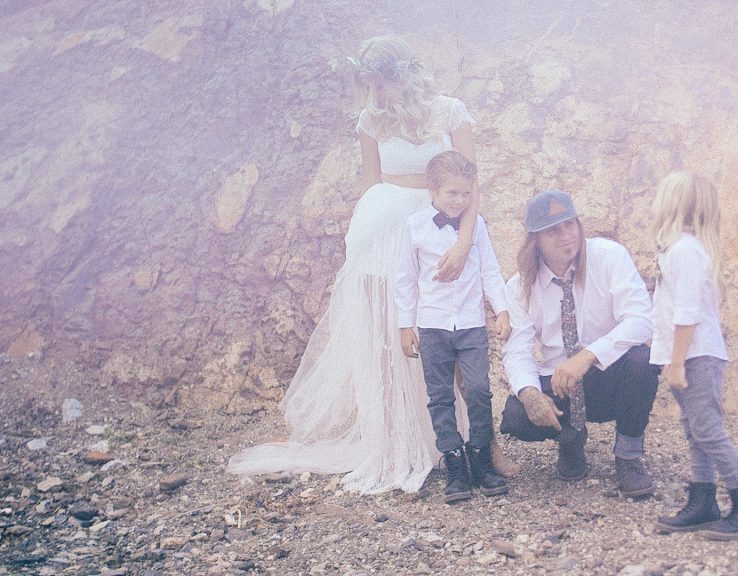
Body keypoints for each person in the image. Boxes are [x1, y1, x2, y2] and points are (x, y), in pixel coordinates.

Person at [228, 35, 516, 493]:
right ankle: (400, 442)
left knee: (455, 336)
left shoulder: (449, 111)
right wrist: (361, 241)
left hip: (440, 227)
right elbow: (370, 183)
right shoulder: (370, 120)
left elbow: (471, 182)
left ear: (404, 75)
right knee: (392, 339)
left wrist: (464, 241)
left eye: (381, 84)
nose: (377, 95)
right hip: (381, 235)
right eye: (370, 86)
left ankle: (485, 443)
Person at [499, 189, 660, 497]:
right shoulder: (519, 286)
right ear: (535, 240)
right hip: (561, 383)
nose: (566, 236)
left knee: (643, 361)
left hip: (605, 376)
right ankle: (570, 440)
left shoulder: (609, 256)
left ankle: (628, 456)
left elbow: (642, 319)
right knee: (517, 415)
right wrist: (531, 393)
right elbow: (517, 349)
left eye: (570, 225)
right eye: (553, 230)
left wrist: (588, 355)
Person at [648, 171, 738, 539]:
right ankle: (703, 501)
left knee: (708, 431)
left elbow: (686, 313)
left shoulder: (685, 251)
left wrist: (678, 362)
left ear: (672, 205)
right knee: (695, 430)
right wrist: (670, 358)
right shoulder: (678, 249)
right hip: (687, 355)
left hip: (696, 357)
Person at [395, 150, 511, 503]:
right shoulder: (414, 227)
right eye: (452, 193)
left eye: (465, 194)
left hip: (472, 324)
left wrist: (502, 309)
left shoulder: (476, 227)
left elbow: (489, 269)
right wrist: (405, 325)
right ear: (432, 190)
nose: (460, 201)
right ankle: (454, 461)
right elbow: (405, 279)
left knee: (478, 389)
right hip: (433, 325)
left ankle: (480, 456)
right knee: (441, 395)